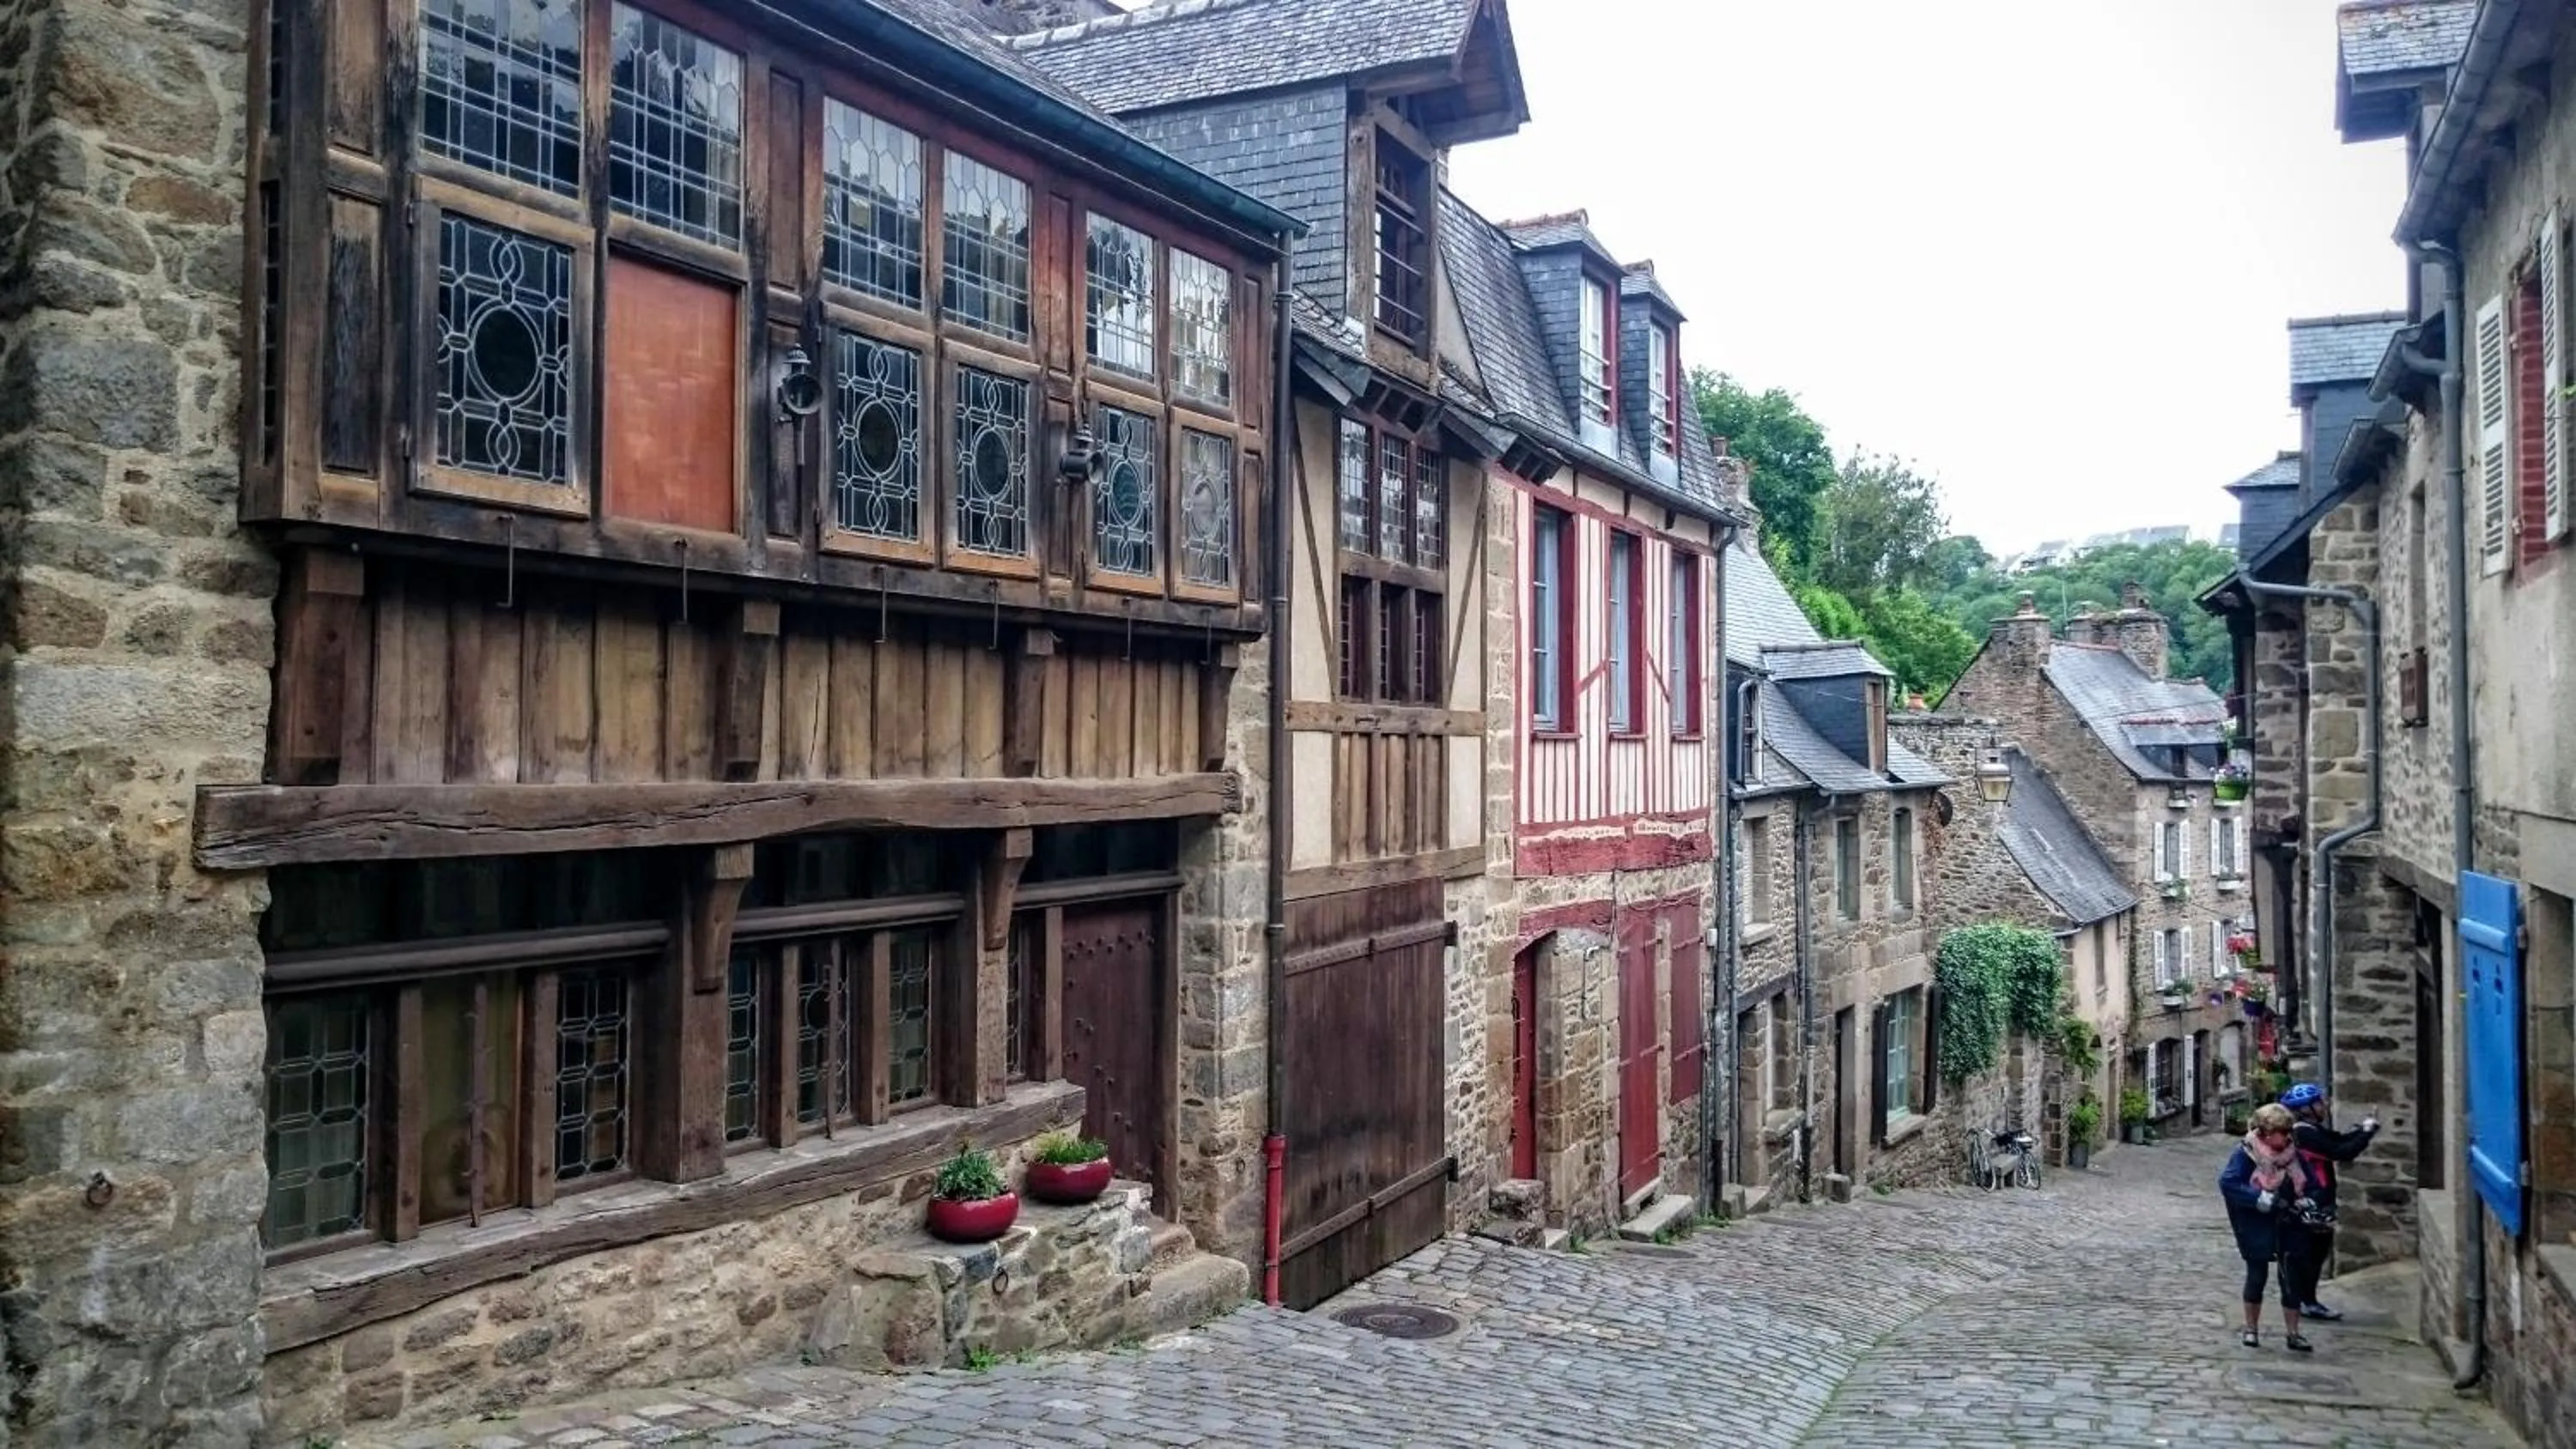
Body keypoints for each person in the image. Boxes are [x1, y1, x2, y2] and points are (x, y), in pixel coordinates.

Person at [2219, 1103, 2316, 1351]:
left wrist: (2308, 1200)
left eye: (2288, 1132)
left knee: (2291, 1277)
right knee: (2257, 1274)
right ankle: (2251, 1329)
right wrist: (2257, 1198)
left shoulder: (2294, 1154)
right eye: (2282, 1132)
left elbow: (2312, 1183)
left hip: (2288, 1220)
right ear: (2266, 1132)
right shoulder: (2247, 1153)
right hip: (2256, 1222)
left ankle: (2293, 1333)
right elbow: (2229, 1182)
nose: (2287, 1137)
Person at [2280, 1081, 2380, 1321]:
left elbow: (2338, 1141)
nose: (2324, 1105)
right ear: (2306, 1109)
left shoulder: (2312, 1130)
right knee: (2306, 1254)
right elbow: (2341, 1151)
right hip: (2307, 1199)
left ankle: (2306, 1300)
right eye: (2319, 1102)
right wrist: (2366, 1132)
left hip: (2318, 1198)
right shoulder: (2302, 1133)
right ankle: (2303, 1302)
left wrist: (2364, 1129)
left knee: (2316, 1252)